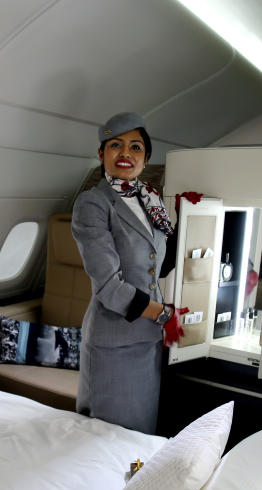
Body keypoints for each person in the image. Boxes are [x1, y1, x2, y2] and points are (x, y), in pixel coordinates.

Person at [71, 112, 186, 434]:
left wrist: (184, 218)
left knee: (139, 435)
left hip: (148, 340)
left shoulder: (150, 201)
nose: (125, 154)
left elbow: (158, 266)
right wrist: (165, 315)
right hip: (114, 343)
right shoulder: (93, 203)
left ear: (146, 157)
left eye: (135, 147)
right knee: (108, 438)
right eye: (115, 145)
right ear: (101, 154)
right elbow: (109, 287)